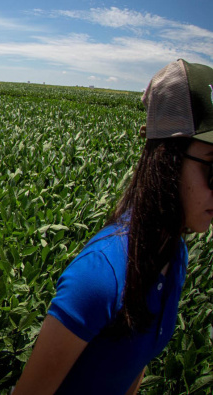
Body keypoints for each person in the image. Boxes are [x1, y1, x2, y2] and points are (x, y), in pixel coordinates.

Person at [14, 60, 213, 394]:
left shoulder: (174, 254)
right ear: (168, 160)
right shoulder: (101, 276)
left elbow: (133, 368)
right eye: (212, 168)